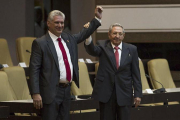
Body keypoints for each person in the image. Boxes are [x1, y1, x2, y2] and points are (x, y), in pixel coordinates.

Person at [29, 6, 103, 120]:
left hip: (66, 90)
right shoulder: (40, 43)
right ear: (48, 23)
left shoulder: (68, 38)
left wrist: (97, 19)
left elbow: (83, 33)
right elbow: (34, 69)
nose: (60, 25)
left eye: (62, 23)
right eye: (57, 22)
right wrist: (35, 93)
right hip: (50, 92)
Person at [84, 23, 142, 120]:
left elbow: (136, 73)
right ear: (109, 34)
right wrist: (88, 35)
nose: (117, 36)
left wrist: (137, 94)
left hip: (124, 93)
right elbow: (92, 50)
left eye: (120, 34)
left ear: (123, 35)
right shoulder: (102, 45)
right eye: (114, 33)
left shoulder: (132, 49)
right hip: (106, 93)